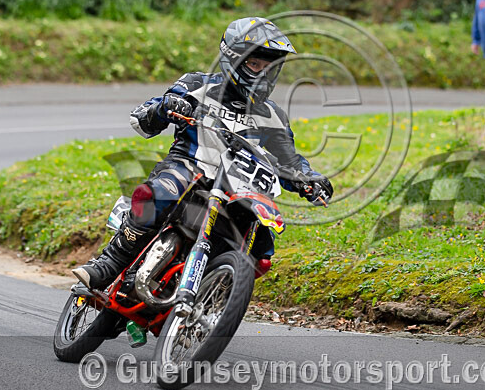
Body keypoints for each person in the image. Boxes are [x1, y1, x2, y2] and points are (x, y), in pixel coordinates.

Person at [73, 17, 333, 312]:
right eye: (257, 65)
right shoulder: (197, 84)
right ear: (234, 58)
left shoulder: (274, 115)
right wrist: (167, 107)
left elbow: (289, 160)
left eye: (270, 68)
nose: (263, 74)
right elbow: (143, 119)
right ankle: (109, 263)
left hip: (238, 188)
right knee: (161, 191)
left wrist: (309, 179)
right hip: (190, 168)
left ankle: (214, 300)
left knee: (262, 246)